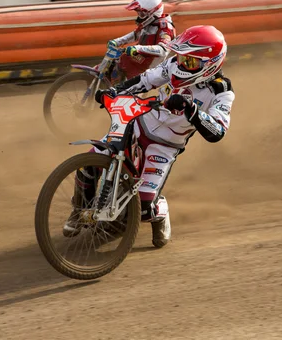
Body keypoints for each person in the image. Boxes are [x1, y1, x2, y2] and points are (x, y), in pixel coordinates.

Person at [65, 25, 235, 248]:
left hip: (164, 147)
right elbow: (146, 80)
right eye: (182, 56)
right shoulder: (173, 64)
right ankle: (79, 211)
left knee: (144, 209)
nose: (182, 64)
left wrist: (191, 109)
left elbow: (218, 132)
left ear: (210, 64)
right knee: (88, 164)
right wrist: (114, 92)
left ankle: (160, 211)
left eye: (190, 61)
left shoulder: (221, 92)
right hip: (136, 125)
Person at [105, 0, 176, 84]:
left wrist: (137, 48)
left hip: (147, 69)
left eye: (141, 13)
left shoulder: (165, 28)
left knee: (124, 89)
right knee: (114, 63)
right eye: (138, 12)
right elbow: (135, 34)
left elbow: (162, 50)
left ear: (152, 12)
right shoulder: (148, 22)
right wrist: (117, 41)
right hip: (135, 59)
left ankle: (120, 94)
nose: (139, 16)